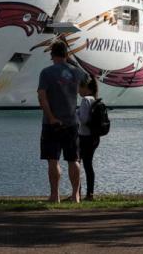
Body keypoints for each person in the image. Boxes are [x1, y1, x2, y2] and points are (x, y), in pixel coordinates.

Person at [38, 41, 87, 203]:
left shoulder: (46, 72)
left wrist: (51, 117)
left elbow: (42, 97)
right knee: (74, 159)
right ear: (66, 54)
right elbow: (87, 88)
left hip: (51, 123)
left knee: (53, 159)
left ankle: (55, 195)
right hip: (72, 122)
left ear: (52, 55)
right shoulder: (77, 73)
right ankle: (76, 195)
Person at [77, 75, 100, 201]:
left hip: (84, 136)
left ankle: (77, 193)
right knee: (88, 165)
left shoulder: (85, 99)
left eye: (79, 88)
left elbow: (84, 120)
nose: (78, 91)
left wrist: (76, 113)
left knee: (77, 164)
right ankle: (90, 193)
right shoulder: (94, 99)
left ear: (85, 87)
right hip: (94, 137)